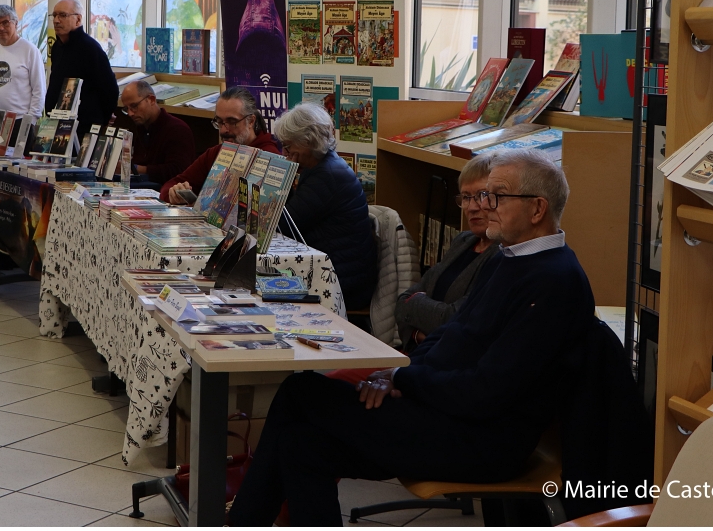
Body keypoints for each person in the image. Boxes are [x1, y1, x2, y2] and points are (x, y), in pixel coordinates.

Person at [228, 149, 596, 527]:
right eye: (483, 195)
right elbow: (452, 334)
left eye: (496, 196)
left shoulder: (553, 280)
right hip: (448, 412)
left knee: (301, 391)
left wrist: (404, 380)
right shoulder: (510, 257)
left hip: (483, 439)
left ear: (537, 210)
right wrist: (397, 372)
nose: (485, 206)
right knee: (300, 446)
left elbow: (490, 390)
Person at [274, 102, 377, 311]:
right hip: (340, 271)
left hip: (340, 283)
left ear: (308, 141)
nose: (286, 154)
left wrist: (281, 180)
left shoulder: (326, 177)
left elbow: (282, 226)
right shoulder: (325, 167)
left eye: (288, 146)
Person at [394, 154, 502, 351]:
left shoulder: (503, 254)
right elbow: (402, 302)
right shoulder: (463, 240)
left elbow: (455, 318)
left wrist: (417, 306)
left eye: (481, 195)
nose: (471, 207)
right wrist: (418, 336)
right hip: (418, 354)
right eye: (466, 197)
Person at [160, 87, 280, 204]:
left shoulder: (269, 157)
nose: (223, 130)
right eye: (219, 122)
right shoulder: (216, 153)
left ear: (251, 121)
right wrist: (174, 193)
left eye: (232, 122)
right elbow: (169, 186)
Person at [44, 0, 118, 134]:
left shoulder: (90, 48)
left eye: (62, 15)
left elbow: (109, 87)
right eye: (54, 15)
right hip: (57, 122)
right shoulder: (57, 47)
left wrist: (103, 119)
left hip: (84, 124)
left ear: (78, 19)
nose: (56, 20)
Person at [121, 79, 196, 190]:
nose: (130, 113)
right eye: (126, 109)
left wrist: (134, 168)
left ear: (151, 100)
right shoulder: (140, 126)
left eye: (134, 106)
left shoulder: (177, 130)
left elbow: (178, 171)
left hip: (166, 191)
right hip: (143, 187)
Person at [0, 5, 46, 118]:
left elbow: (39, 90)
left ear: (16, 23)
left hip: (19, 120)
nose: (1, 28)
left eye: (5, 23)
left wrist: (31, 120)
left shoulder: (30, 50)